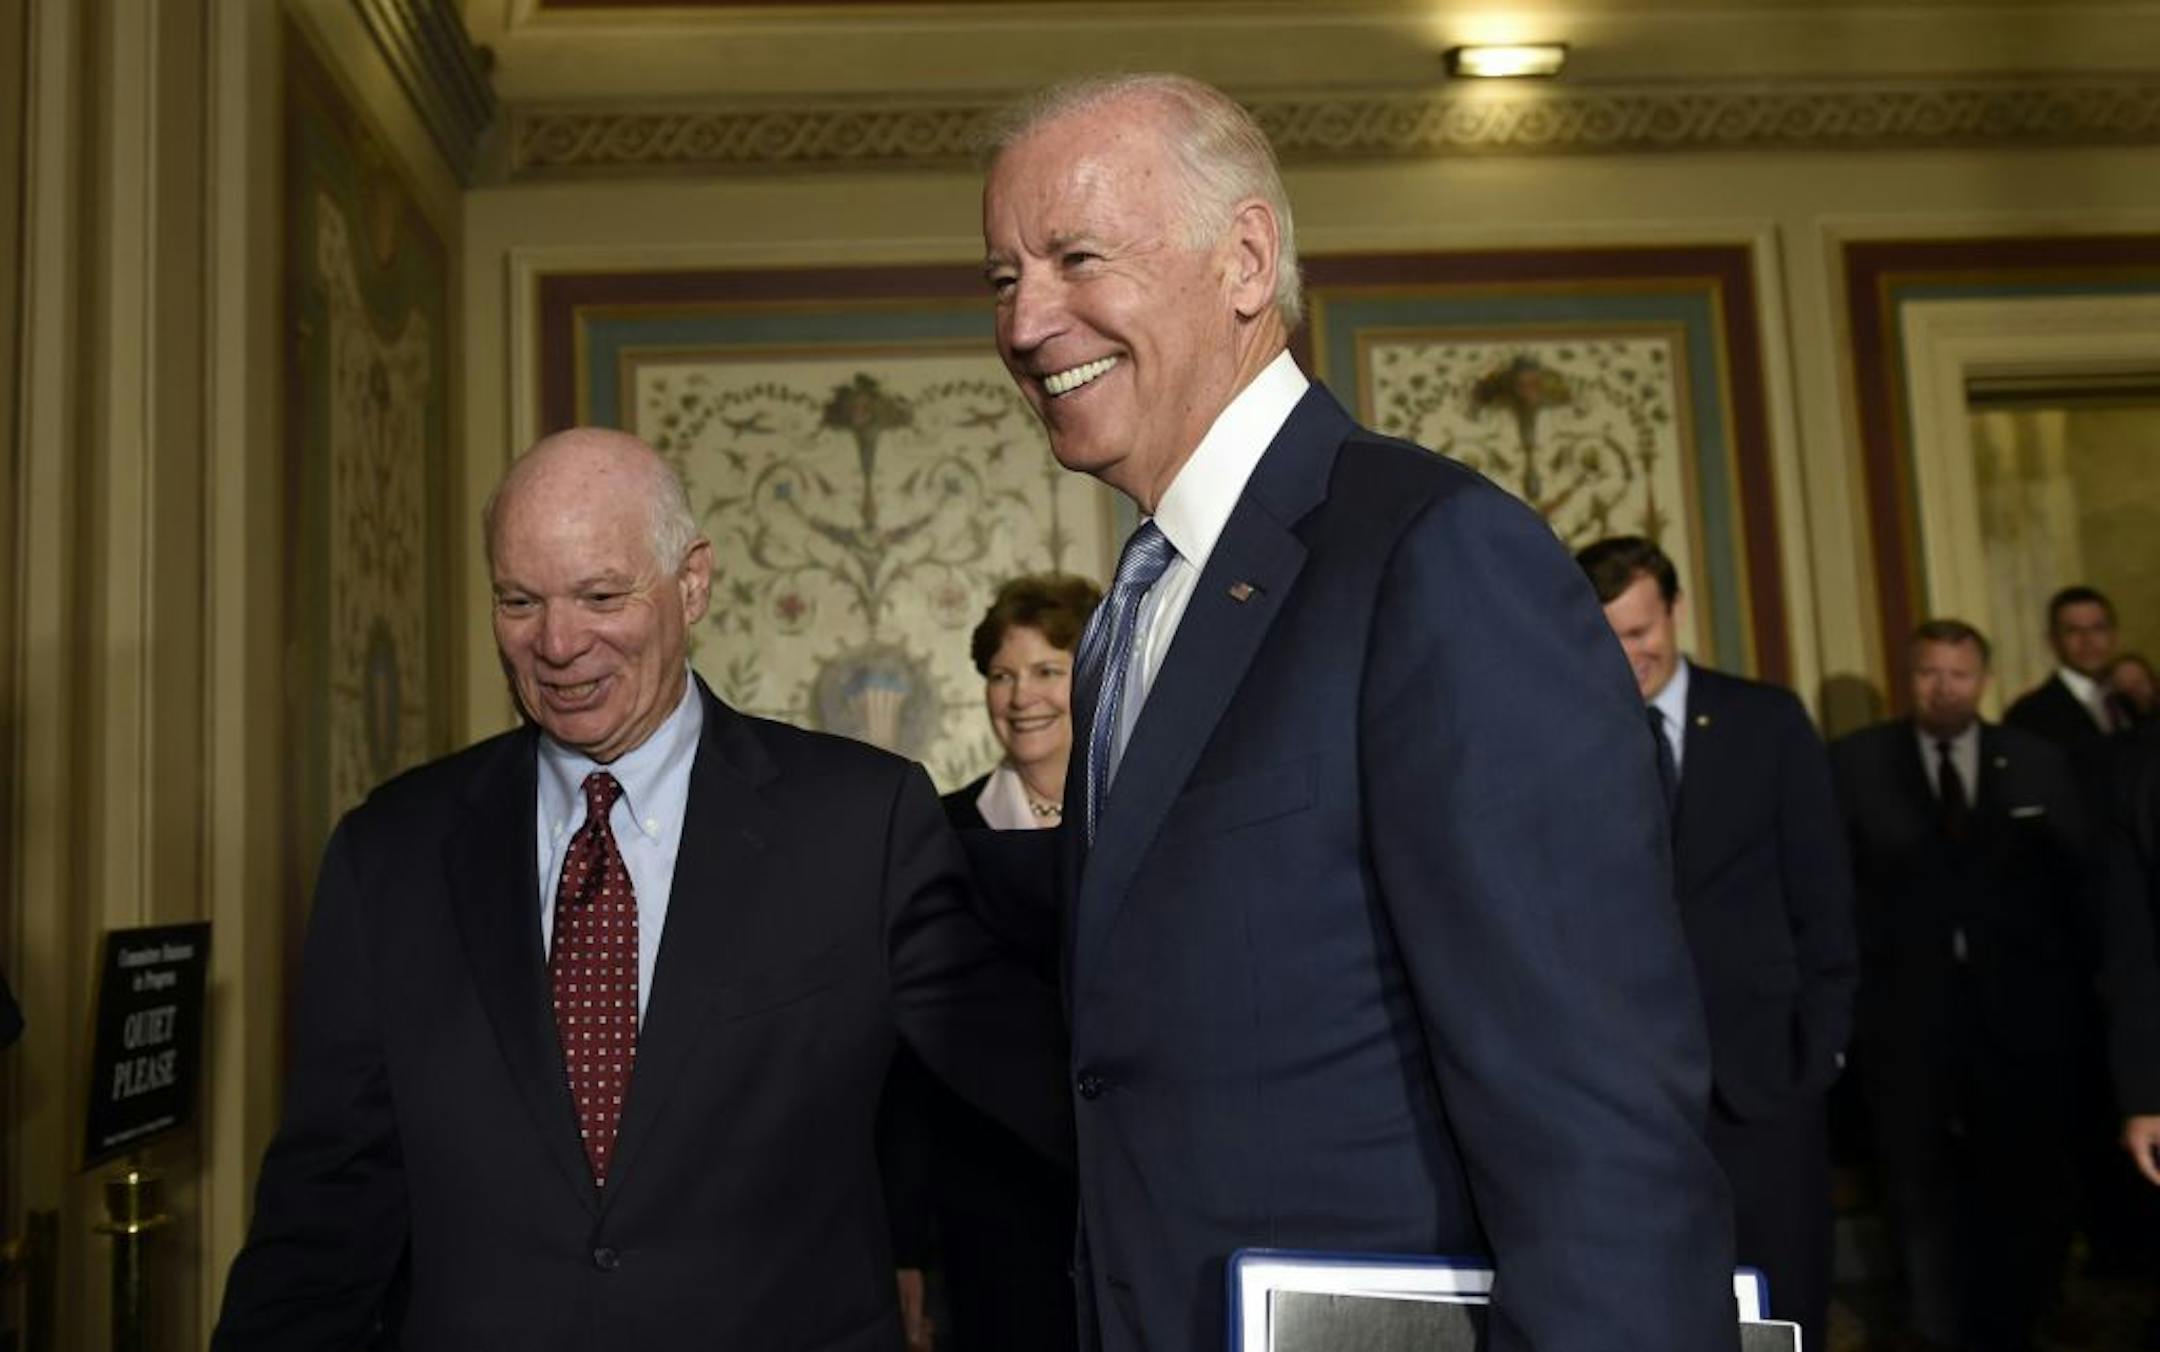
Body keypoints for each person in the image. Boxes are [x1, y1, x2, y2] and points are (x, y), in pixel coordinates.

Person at [981, 72, 1736, 1352]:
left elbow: (1594, 1122)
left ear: (1245, 261)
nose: (1026, 319)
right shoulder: (1123, 622)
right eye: (1002, 276)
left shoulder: (1436, 556)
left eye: (1076, 256)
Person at [213, 428, 1070, 1351]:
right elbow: (325, 1209)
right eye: (518, 601)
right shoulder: (390, 853)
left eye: (600, 596)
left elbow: (1047, 1088)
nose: (557, 642)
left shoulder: (860, 823)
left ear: (691, 582)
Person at [1576, 535, 1856, 1352]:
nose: (1627, 655)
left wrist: (1823, 1050)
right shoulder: (1566, 735)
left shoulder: (1766, 721)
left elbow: (1824, 897)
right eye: (1606, 636)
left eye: (1640, 632)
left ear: (1674, 611)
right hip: (1626, 1088)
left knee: (1782, 1302)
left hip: (1764, 1079)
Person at [1831, 619, 2092, 1352]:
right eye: (1928, 673)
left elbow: (2077, 893)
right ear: (1905, 675)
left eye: (1959, 674)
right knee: (1912, 1182)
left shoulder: (2036, 763)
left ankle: (2032, 1309)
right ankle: (1928, 1323)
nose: (1943, 689)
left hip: (2020, 1017)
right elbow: (1834, 892)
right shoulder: (1856, 763)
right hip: (1903, 1019)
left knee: (2028, 1175)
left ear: (1985, 680)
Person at [881, 574, 1098, 1352]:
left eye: (1048, 670)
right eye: (1001, 675)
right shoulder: (934, 832)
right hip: (981, 1213)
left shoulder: (1144, 826)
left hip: (1120, 1193)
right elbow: (902, 1062)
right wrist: (905, 1247)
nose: (1021, 696)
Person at [2008, 585, 2125, 746]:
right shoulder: (2030, 713)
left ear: (2114, 635)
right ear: (2053, 640)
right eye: (2073, 631)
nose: (2088, 641)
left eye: (2098, 629)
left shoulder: (2131, 700)